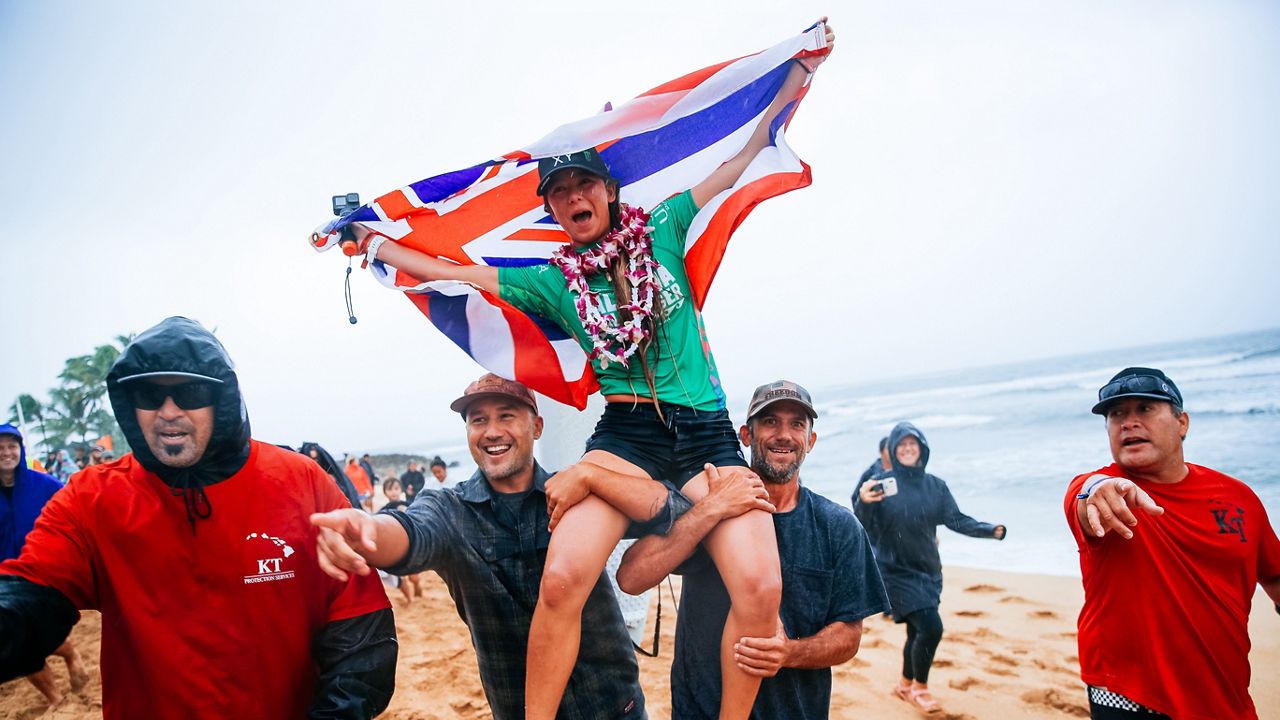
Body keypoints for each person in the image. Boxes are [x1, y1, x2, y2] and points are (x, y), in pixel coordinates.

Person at [350, 23, 836, 717]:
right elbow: (453, 270)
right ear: (552, 209)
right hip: (627, 435)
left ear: (608, 193)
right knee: (564, 578)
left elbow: (737, 159)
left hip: (704, 433)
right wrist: (377, 244)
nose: (573, 195)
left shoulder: (664, 227)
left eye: (584, 184)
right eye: (560, 191)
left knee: (760, 588)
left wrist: (796, 75)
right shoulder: (552, 281)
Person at [0, 316, 396, 719]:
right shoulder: (92, 497)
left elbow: (361, 632)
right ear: (129, 403)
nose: (168, 411)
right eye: (149, 394)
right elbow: (32, 599)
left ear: (221, 399)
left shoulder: (300, 480)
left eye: (189, 391)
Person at [312, 373, 692, 719]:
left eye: (506, 415)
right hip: (520, 708)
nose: (491, 431)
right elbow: (409, 532)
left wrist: (595, 475)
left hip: (613, 705)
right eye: (478, 420)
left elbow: (672, 511)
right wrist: (365, 529)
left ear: (537, 426)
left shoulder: (578, 496)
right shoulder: (450, 511)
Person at [618, 380, 889, 719]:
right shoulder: (710, 508)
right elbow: (630, 576)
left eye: (797, 424)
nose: (783, 435)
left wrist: (789, 652)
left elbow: (849, 635)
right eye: (770, 421)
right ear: (745, 435)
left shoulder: (838, 527)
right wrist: (709, 510)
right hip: (701, 710)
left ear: (811, 441)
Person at [1066, 367, 1280, 719]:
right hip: (1130, 697)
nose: (1128, 422)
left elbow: (1273, 574)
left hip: (1226, 697)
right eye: (1116, 414)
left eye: (1145, 409)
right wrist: (1096, 490)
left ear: (1182, 422)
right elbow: (1085, 496)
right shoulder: (1105, 492)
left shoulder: (1238, 497)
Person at [854, 421, 1006, 715]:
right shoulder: (882, 483)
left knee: (916, 630)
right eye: (902, 446)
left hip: (928, 571)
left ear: (922, 449)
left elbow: (955, 519)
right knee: (931, 627)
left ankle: (904, 683)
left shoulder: (935, 485)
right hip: (894, 571)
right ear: (894, 451)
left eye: (913, 445)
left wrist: (989, 530)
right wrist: (864, 502)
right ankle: (920, 689)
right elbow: (865, 525)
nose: (908, 450)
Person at [0, 424, 89, 707]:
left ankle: (70, 654)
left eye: (11, 446)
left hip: (45, 573)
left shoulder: (45, 485)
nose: (6, 453)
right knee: (15, 641)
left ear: (21, 449)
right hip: (5, 581)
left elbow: (76, 508)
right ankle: (56, 699)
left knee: (38, 633)